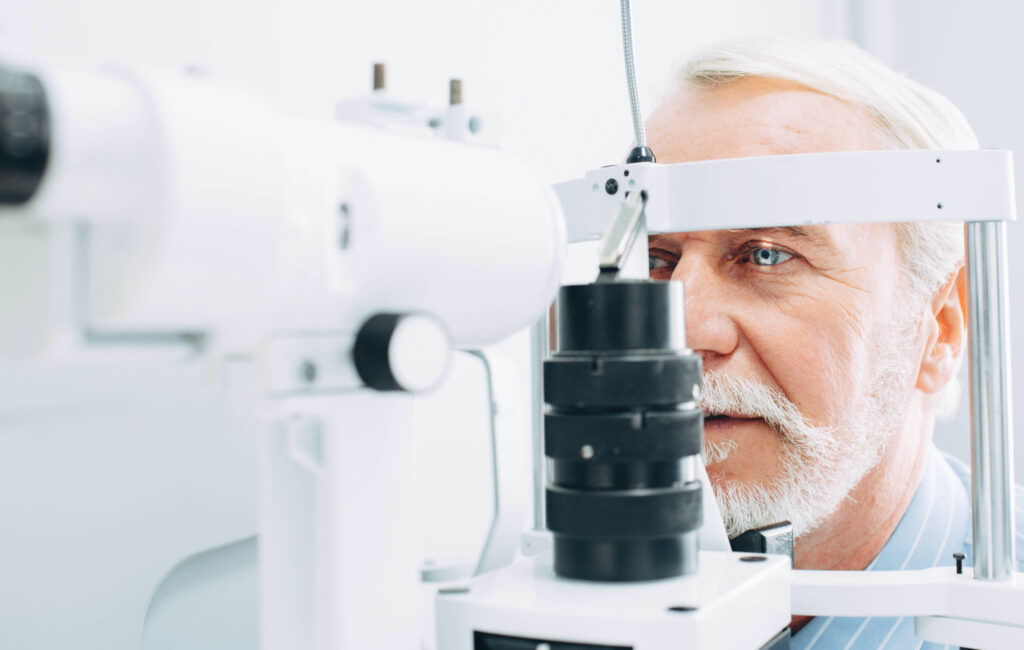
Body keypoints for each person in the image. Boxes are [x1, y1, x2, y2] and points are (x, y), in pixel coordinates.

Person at [643, 37, 1024, 648]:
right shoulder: (546, 599)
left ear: (942, 326)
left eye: (766, 255)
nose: (679, 332)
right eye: (657, 260)